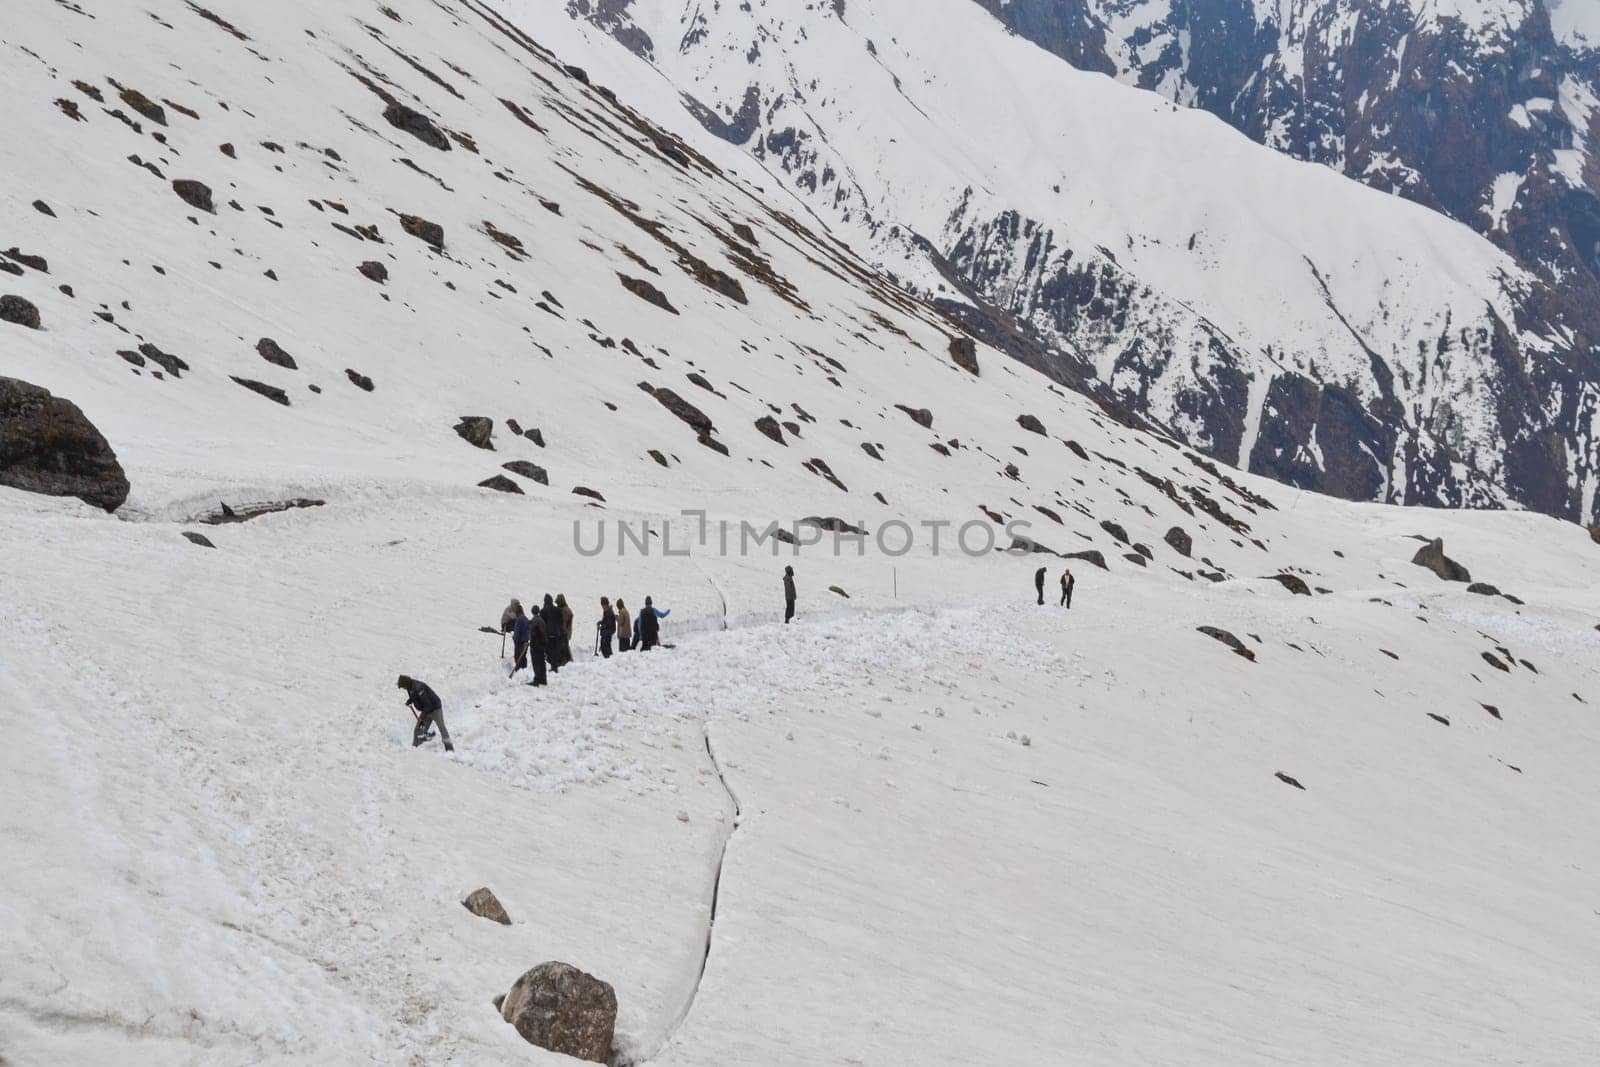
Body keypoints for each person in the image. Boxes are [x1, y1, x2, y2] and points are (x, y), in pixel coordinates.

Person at [398, 675, 453, 751]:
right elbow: (415, 695)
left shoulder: (419, 687)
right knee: (418, 730)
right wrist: (410, 700)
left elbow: (428, 705)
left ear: (406, 684)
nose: (403, 688)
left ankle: (449, 748)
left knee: (441, 726)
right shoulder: (410, 687)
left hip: (435, 708)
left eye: (403, 686)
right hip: (426, 709)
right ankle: (414, 748)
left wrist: (421, 718)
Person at [540, 594, 564, 674]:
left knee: (549, 652)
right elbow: (561, 622)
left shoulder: (543, 611)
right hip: (557, 634)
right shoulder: (557, 610)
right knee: (555, 651)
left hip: (547, 635)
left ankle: (553, 667)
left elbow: (542, 624)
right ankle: (554, 667)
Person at [527, 609, 549, 686]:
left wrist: (531, 643)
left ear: (532, 612)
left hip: (536, 645)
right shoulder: (541, 620)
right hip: (542, 644)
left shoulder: (535, 620)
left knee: (536, 663)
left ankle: (536, 680)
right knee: (542, 662)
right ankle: (543, 679)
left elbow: (532, 631)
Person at [509, 603, 531, 678]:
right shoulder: (526, 619)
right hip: (525, 642)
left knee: (517, 657)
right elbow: (529, 630)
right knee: (523, 658)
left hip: (519, 643)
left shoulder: (519, 620)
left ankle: (518, 674)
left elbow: (517, 632)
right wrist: (527, 640)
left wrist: (515, 639)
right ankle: (524, 673)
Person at [557, 594, 575, 665]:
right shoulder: (567, 609)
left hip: (563, 633)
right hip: (566, 633)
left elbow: (563, 623)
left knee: (563, 648)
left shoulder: (564, 610)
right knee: (565, 647)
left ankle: (565, 662)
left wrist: (561, 631)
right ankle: (567, 661)